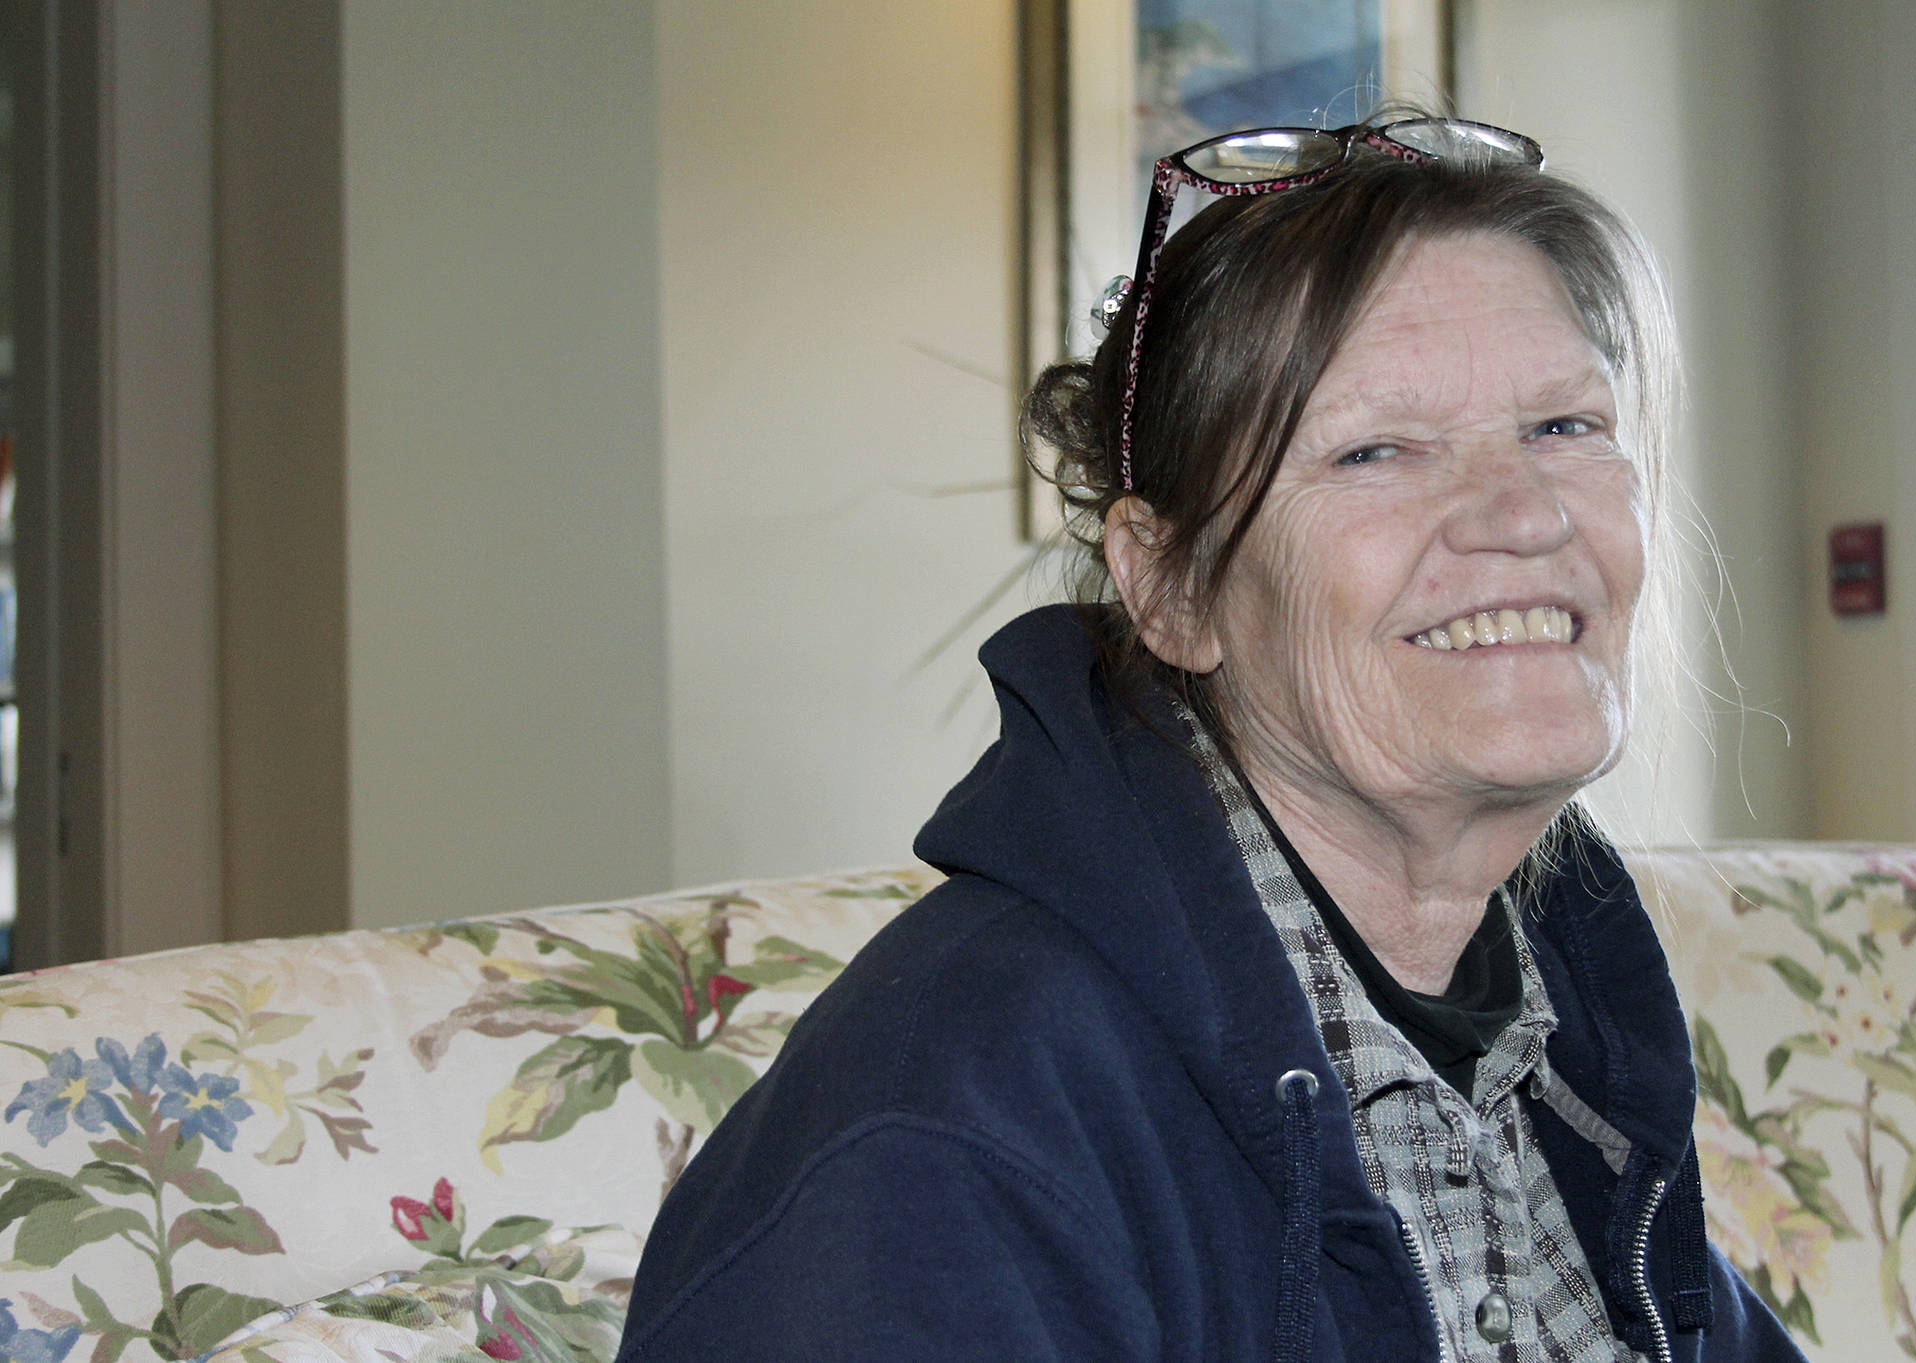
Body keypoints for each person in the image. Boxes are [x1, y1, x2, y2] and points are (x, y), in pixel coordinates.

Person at [619, 114, 1807, 1362]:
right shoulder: (945, 1135)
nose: (1521, 513)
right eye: (1376, 450)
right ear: (1169, 585)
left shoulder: (1559, 1026)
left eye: (1564, 426)